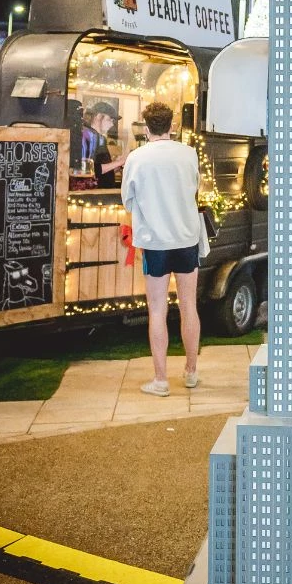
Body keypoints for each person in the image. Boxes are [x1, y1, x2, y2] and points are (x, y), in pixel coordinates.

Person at [120, 100, 202, 395]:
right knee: (188, 306)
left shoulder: (137, 158)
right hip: (186, 238)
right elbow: (196, 188)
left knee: (157, 309)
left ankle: (161, 380)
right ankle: (191, 372)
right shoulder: (189, 154)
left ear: (145, 127)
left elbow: (127, 200)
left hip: (154, 242)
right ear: (172, 125)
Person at [88, 101, 126, 187]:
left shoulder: (100, 138)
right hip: (95, 193)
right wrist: (119, 162)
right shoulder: (89, 136)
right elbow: (93, 169)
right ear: (98, 117)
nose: (112, 124)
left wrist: (117, 165)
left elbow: (103, 172)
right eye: (109, 120)